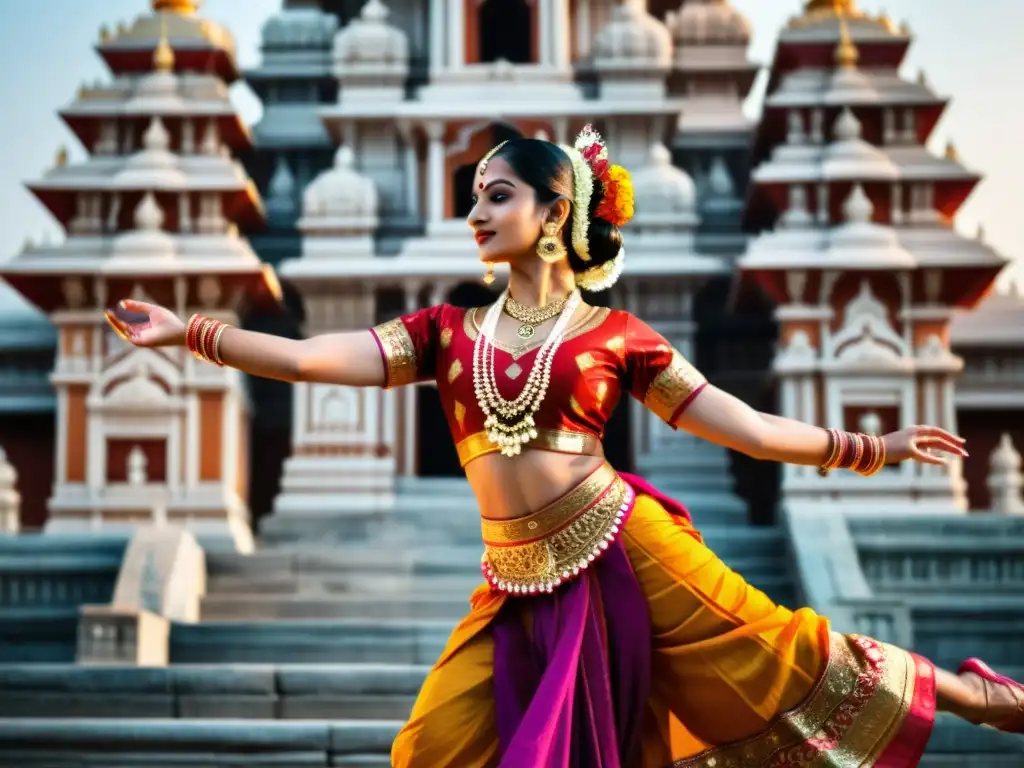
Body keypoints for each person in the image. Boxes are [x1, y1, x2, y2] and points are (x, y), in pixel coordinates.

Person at [106, 127, 1023, 768]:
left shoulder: (619, 336)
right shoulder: (441, 331)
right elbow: (310, 358)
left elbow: (741, 426)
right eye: (472, 198)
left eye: (496, 195)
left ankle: (980, 698)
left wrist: (873, 446)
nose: (476, 213)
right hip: (514, 578)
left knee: (789, 656)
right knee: (432, 745)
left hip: (624, 542)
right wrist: (188, 332)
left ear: (553, 214)